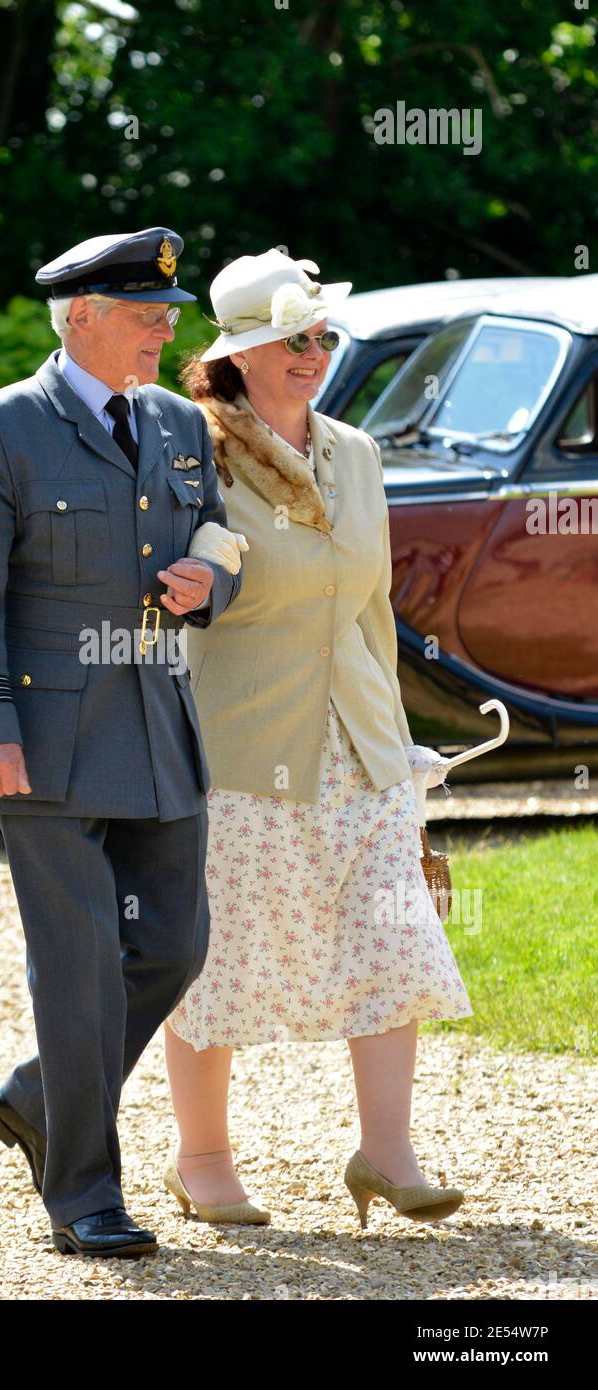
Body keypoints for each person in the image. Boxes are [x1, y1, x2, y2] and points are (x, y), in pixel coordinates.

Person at [0, 227, 242, 1258]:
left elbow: (215, 542)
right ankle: (83, 1194)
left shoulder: (177, 425)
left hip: (158, 727)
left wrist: (214, 586)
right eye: (143, 312)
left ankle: (38, 1097)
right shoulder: (3, 428)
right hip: (47, 741)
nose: (165, 327)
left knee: (172, 946)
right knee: (77, 972)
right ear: (79, 318)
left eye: (165, 312)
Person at [162, 248, 473, 1231]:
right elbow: (178, 595)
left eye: (320, 336)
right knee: (218, 951)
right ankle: (200, 1156)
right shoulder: (194, 449)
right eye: (291, 339)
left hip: (363, 745)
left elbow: (368, 608)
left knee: (391, 939)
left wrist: (403, 738)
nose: (313, 354)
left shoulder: (357, 452)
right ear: (242, 352)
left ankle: (385, 1154)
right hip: (241, 743)